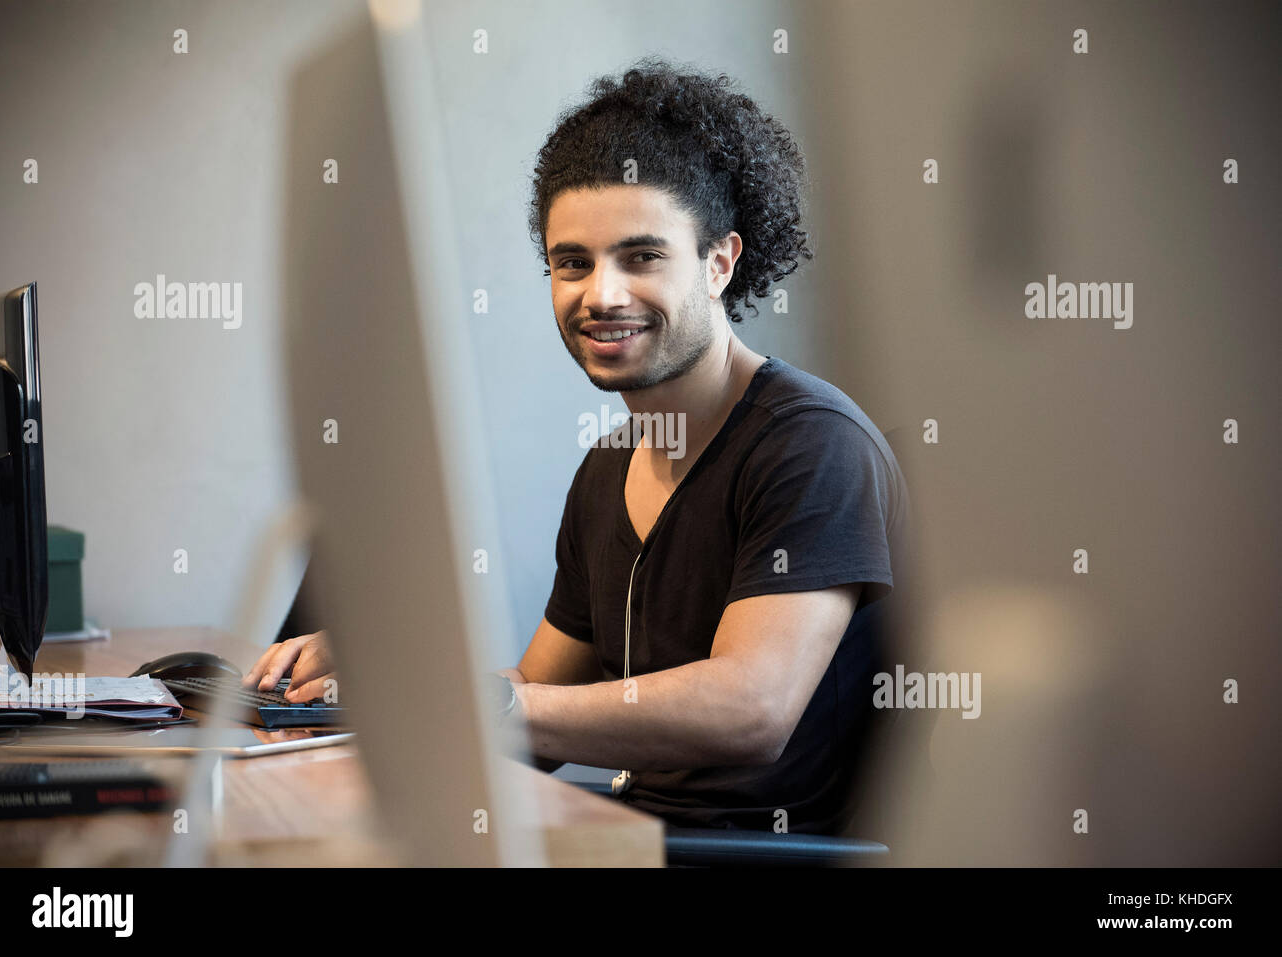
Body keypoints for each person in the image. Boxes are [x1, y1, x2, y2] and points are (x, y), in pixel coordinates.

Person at [246, 57, 910, 835]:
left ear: (719, 262)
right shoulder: (608, 466)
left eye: (641, 256)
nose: (601, 294)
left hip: (744, 856)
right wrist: (388, 692)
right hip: (627, 834)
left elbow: (751, 708)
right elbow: (534, 691)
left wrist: (483, 702)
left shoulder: (811, 444)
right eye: (572, 263)